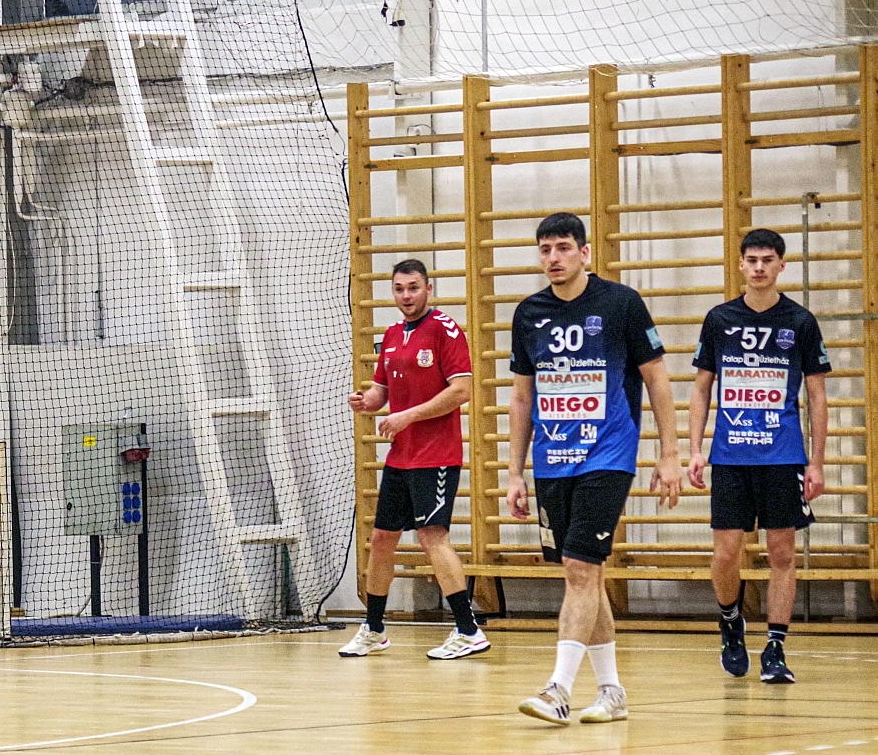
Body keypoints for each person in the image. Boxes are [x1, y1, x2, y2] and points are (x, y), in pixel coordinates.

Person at [506, 212, 682, 725]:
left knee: (579, 568)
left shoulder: (621, 304)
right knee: (586, 573)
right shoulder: (529, 313)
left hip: (608, 454)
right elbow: (522, 399)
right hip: (553, 460)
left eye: (563, 247)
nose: (554, 258)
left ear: (584, 253)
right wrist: (515, 473)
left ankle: (558, 690)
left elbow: (657, 380)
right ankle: (612, 691)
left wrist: (669, 454)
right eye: (545, 249)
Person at [687, 228, 829, 683]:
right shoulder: (720, 319)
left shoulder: (800, 321)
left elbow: (817, 394)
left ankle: (775, 648)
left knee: (781, 552)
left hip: (782, 456)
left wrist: (816, 462)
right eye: (752, 260)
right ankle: (730, 621)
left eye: (768, 260)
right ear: (741, 265)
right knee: (727, 552)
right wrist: (694, 450)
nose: (759, 267)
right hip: (731, 456)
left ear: (782, 265)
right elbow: (701, 387)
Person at [342, 259, 487, 660]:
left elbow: (461, 391)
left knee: (431, 536)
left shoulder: (445, 330)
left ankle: (468, 630)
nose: (406, 296)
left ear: (428, 289)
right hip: (401, 457)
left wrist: (407, 416)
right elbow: (381, 392)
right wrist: (366, 401)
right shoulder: (391, 335)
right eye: (399, 289)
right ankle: (374, 628)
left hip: (435, 455)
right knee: (382, 539)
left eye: (413, 287)